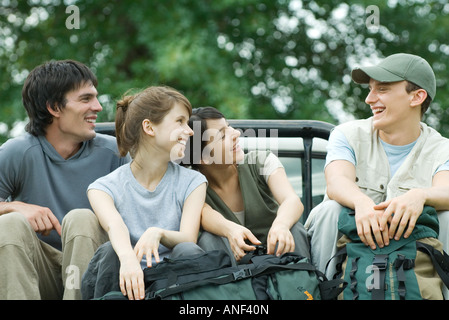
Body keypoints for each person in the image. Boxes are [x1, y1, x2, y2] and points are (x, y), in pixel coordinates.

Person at [305, 53, 449, 286]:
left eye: (382, 90)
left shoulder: (443, 149)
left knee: (447, 215)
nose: (369, 99)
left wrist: (420, 195)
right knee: (329, 211)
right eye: (370, 89)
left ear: (417, 97)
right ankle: (319, 290)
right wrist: (361, 203)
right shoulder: (347, 134)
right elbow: (337, 181)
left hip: (414, 266)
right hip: (350, 262)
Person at [0, 60, 129, 299]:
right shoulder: (17, 152)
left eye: (96, 97)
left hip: (97, 270)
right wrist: (12, 206)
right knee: (8, 223)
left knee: (81, 218)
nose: (98, 107)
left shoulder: (116, 154)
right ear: (54, 107)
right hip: (39, 274)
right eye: (85, 99)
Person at [81, 86, 207, 300]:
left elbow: (188, 237)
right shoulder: (102, 188)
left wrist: (158, 233)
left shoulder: (193, 181)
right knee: (109, 253)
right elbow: (115, 225)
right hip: (123, 282)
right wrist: (129, 260)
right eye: (180, 121)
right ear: (149, 128)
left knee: (188, 250)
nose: (190, 131)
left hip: (173, 284)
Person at [182, 107, 310, 265]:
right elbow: (204, 214)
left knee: (294, 229)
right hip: (235, 275)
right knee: (209, 239)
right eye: (222, 135)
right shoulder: (191, 183)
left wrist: (281, 225)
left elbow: (291, 200)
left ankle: (307, 288)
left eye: (229, 127)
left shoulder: (261, 161)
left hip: (278, 261)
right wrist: (231, 230)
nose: (235, 134)